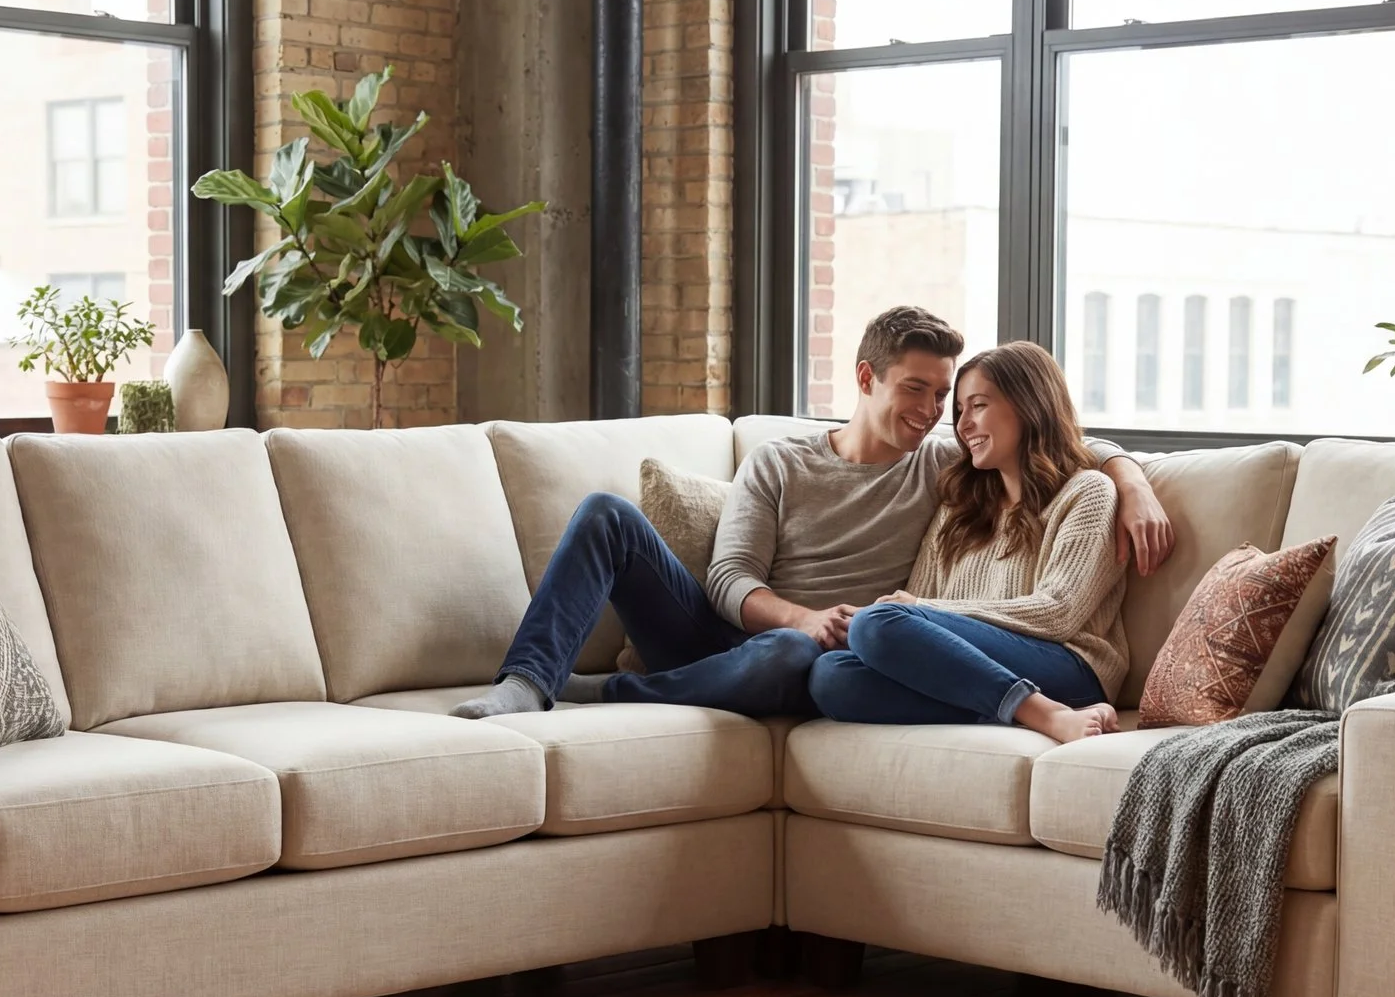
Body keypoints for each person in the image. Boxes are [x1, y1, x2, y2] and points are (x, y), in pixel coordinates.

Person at [450, 307, 1172, 720]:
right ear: (866, 378)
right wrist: (803, 616)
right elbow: (728, 580)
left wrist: (1129, 475)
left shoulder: (944, 467)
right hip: (728, 638)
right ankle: (527, 681)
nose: (932, 414)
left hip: (822, 654)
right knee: (608, 515)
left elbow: (1045, 439)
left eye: (944, 397)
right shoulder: (779, 462)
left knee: (812, 666)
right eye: (917, 391)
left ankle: (611, 691)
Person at [807, 340, 1128, 745]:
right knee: (831, 676)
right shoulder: (959, 507)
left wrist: (920, 608)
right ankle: (1010, 710)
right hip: (979, 667)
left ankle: (1043, 711)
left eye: (977, 406)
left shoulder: (1087, 492)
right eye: (959, 411)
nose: (962, 425)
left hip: (1069, 666)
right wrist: (917, 610)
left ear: (1030, 404)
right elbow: (921, 612)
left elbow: (1057, 614)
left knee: (877, 623)